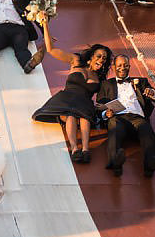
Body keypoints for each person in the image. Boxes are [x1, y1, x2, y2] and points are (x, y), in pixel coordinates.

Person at [32, 19, 112, 163]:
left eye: (104, 59)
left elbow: (104, 97)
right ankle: (75, 148)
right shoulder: (76, 61)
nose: (101, 60)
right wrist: (45, 25)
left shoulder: (100, 78)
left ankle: (86, 149)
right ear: (91, 56)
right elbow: (51, 50)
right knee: (71, 115)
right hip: (66, 101)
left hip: (85, 105)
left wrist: (104, 106)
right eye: (99, 56)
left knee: (84, 117)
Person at [96, 54, 155, 177]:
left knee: (148, 133)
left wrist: (152, 93)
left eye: (125, 65)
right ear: (114, 67)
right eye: (119, 65)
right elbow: (100, 106)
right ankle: (115, 162)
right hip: (117, 117)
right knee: (114, 131)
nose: (122, 68)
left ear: (129, 67)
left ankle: (149, 165)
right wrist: (106, 114)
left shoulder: (141, 81)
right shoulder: (106, 84)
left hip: (138, 118)